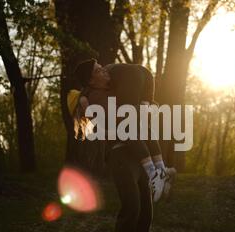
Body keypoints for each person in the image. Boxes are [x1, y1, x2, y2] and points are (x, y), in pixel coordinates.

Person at [73, 58, 175, 202]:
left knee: (128, 126)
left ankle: (154, 174)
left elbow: (89, 96)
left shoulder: (106, 84)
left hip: (136, 76)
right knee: (142, 126)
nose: (103, 70)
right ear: (91, 81)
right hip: (146, 76)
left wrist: (83, 100)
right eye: (98, 70)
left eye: (100, 66)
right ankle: (162, 170)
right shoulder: (97, 91)